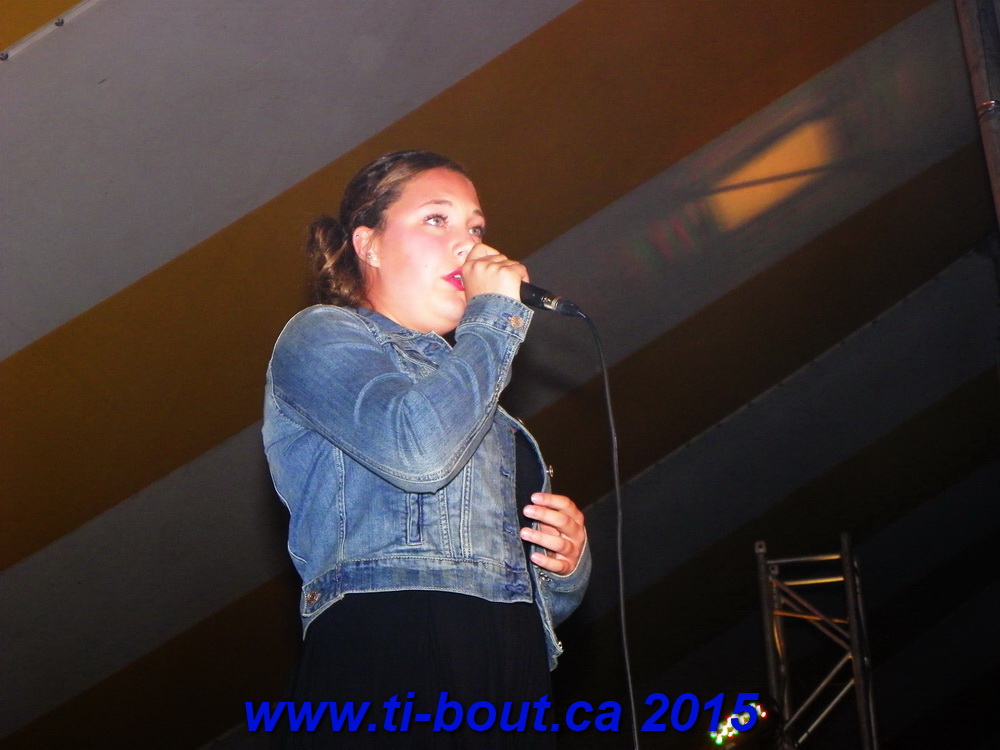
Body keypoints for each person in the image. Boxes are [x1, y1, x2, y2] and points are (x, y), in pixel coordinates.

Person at [262, 150, 590, 748]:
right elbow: (419, 455)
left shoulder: (485, 402)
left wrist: (566, 565)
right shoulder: (320, 336)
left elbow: (521, 592)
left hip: (509, 670)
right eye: (437, 219)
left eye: (476, 228)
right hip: (394, 648)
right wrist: (495, 319)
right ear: (369, 244)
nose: (468, 245)